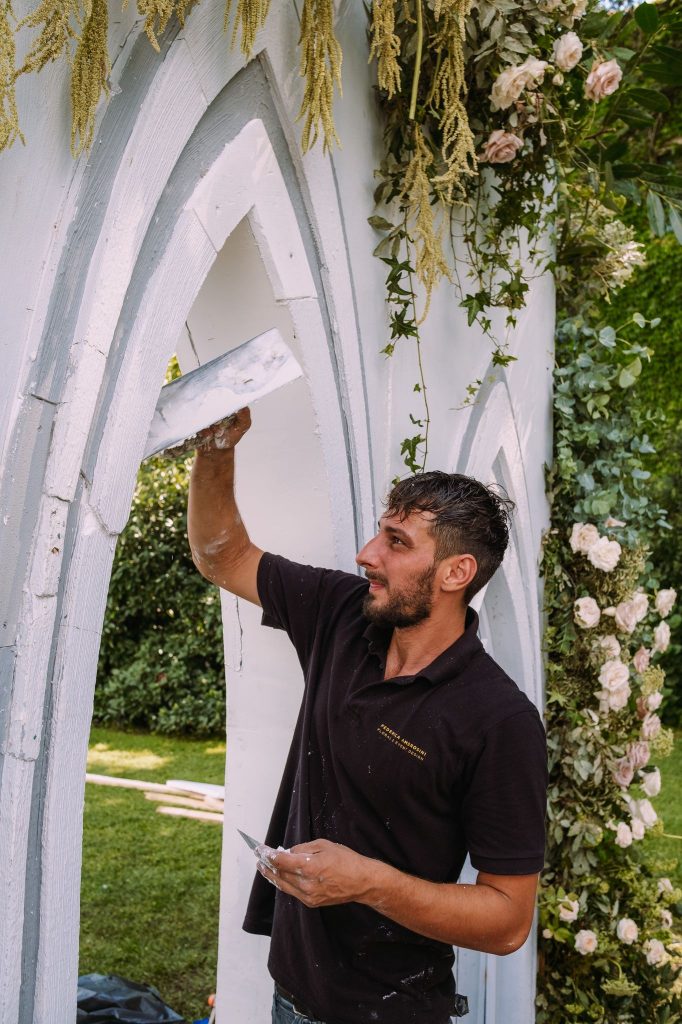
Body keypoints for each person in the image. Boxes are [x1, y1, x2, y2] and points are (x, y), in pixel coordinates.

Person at [188, 407, 548, 1024]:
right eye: (380, 532)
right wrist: (215, 453)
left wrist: (367, 882)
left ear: (457, 573)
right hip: (292, 991)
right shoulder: (341, 613)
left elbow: (508, 920)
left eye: (397, 542)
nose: (365, 554)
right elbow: (222, 556)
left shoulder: (499, 721)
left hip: (391, 1011)